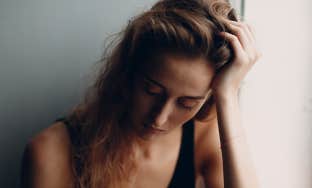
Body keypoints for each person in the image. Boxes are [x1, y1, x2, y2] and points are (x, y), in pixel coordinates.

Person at [20, 0, 261, 187]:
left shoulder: (202, 135)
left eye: (187, 103)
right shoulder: (51, 152)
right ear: (128, 70)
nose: (160, 118)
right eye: (151, 90)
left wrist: (227, 95)